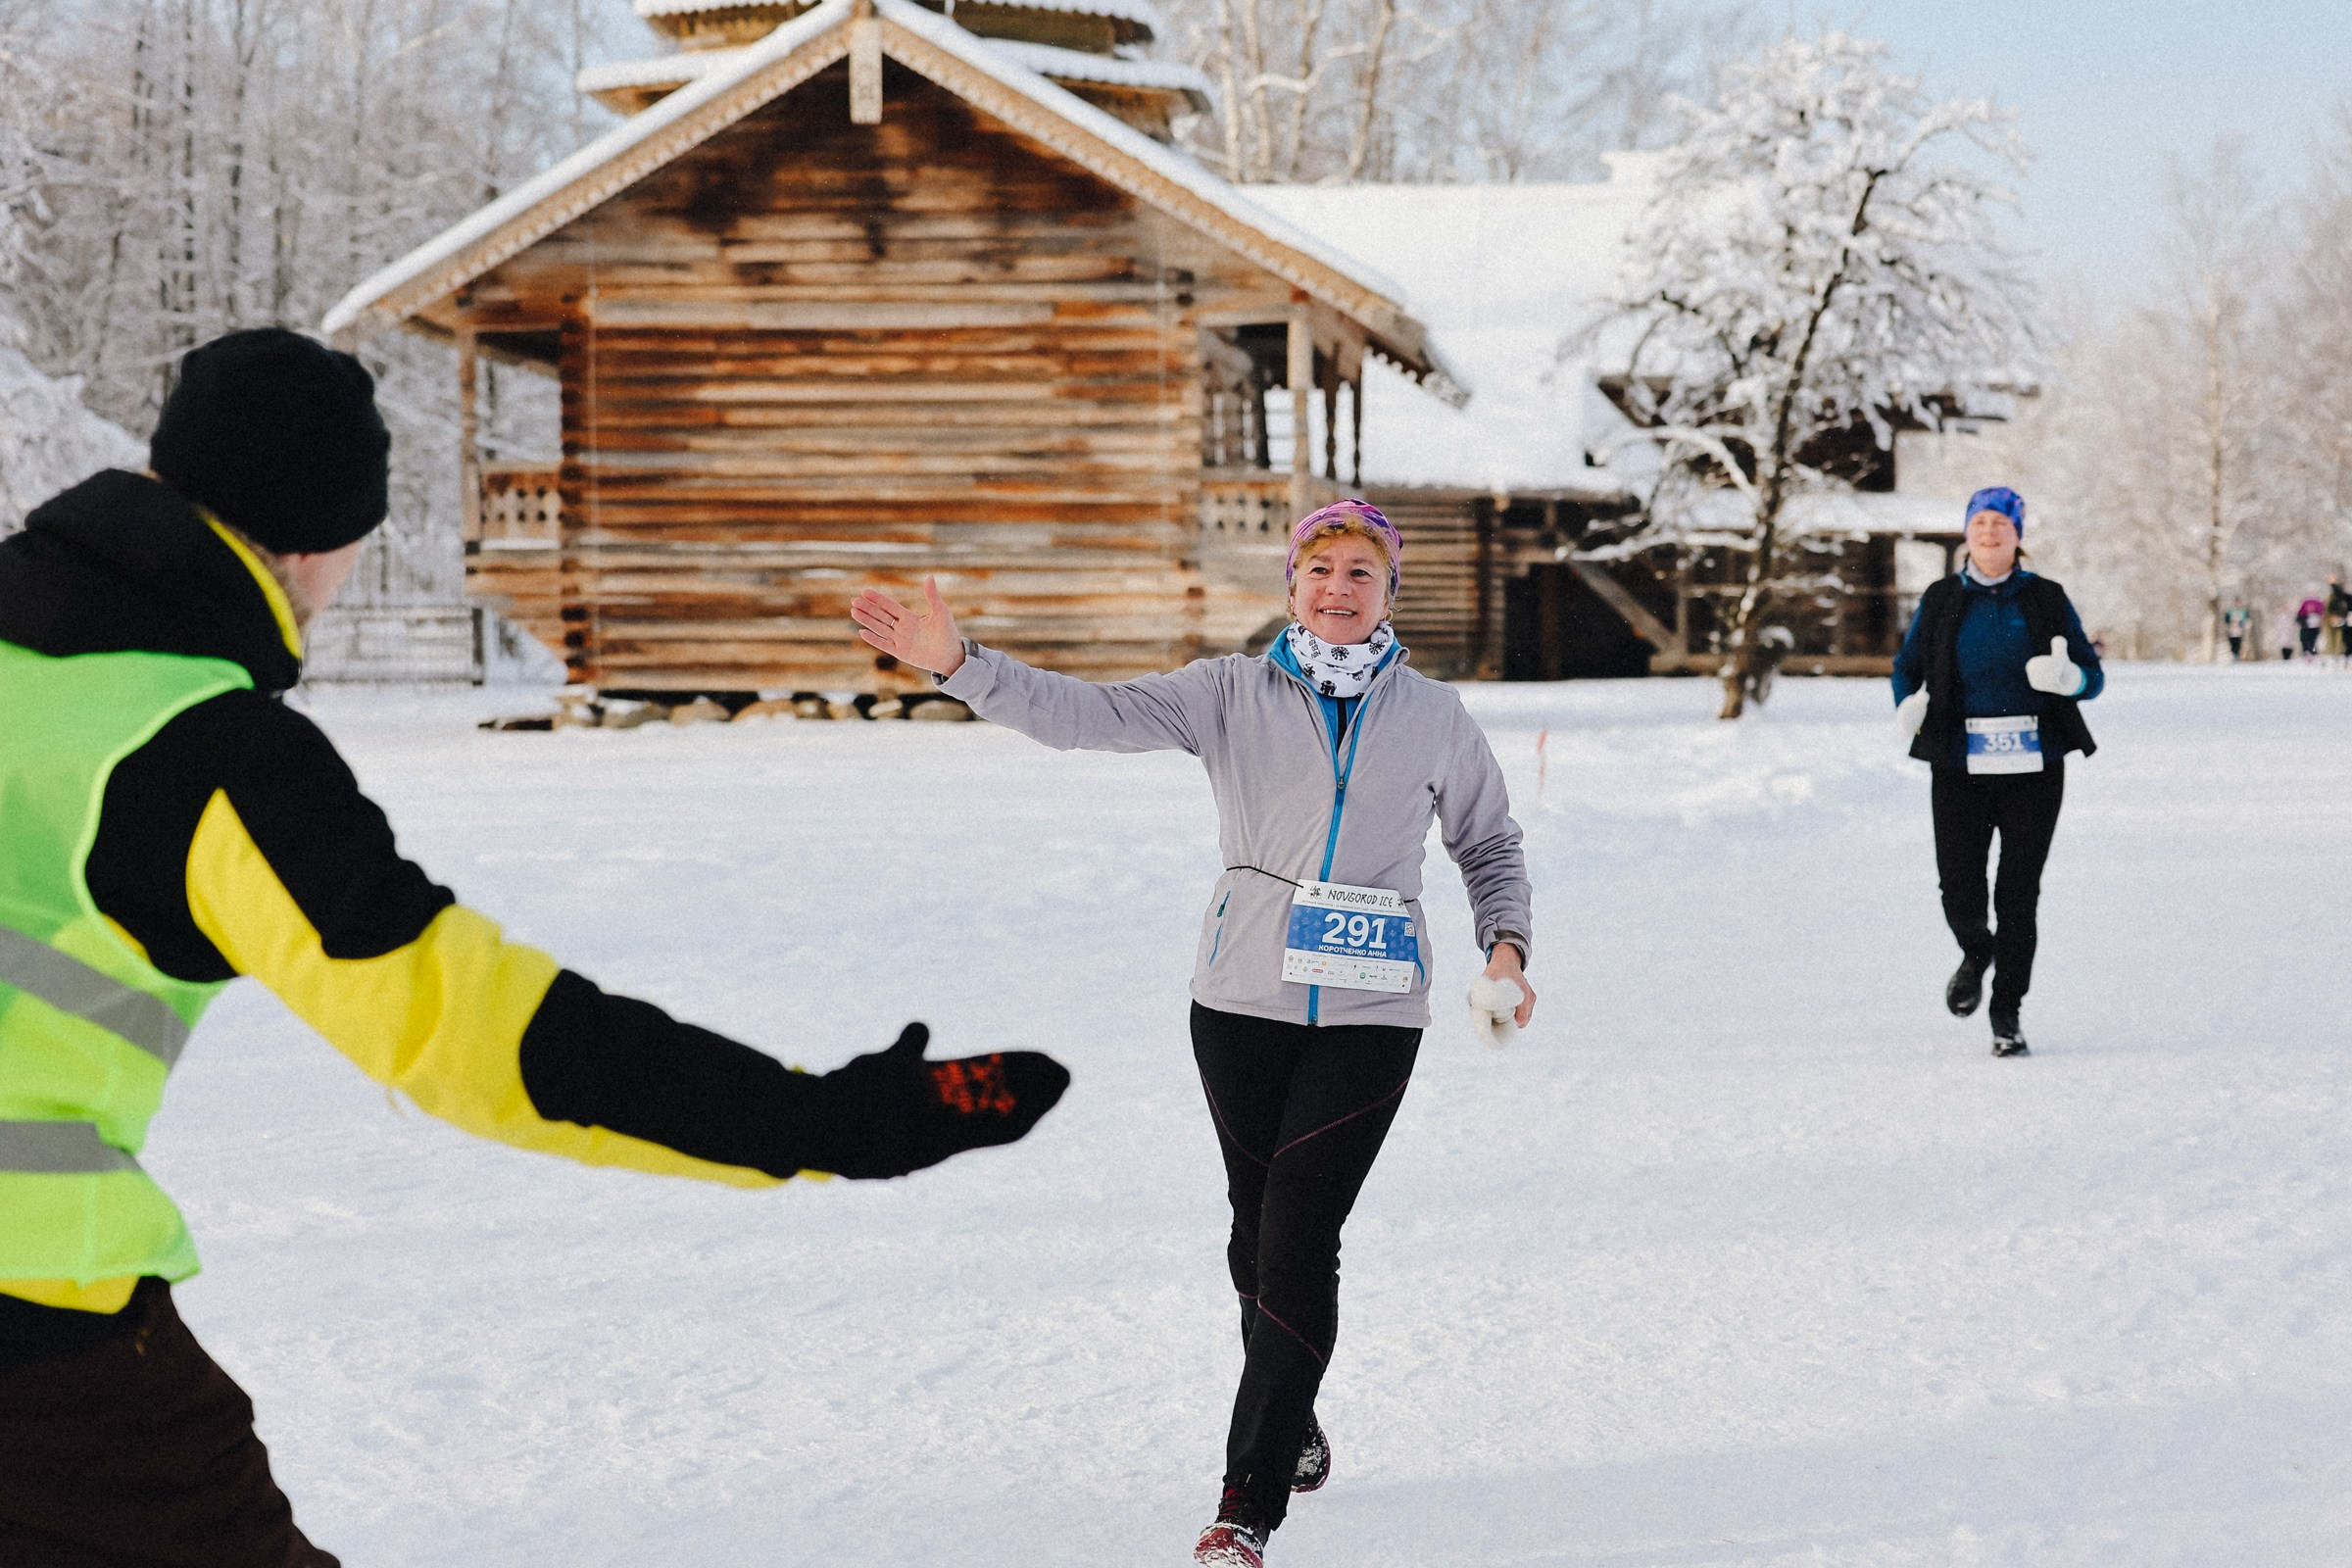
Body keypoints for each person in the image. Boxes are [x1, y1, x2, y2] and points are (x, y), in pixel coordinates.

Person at [0, 328, 1069, 1567]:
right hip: (36, 1328)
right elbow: (486, 1041)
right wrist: (824, 1121)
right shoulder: (203, 755)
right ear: (317, 541)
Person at [850, 500, 1534, 1568]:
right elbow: (1085, 714)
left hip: (1371, 1012)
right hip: (1238, 1003)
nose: (1338, 589)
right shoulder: (1228, 693)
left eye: (1362, 572)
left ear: (1390, 592)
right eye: (1320, 570)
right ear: (1290, 586)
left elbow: (1489, 842)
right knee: (1253, 1232)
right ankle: (1290, 1406)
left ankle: (1246, 1503)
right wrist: (964, 664)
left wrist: (1506, 949)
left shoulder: (1435, 715)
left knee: (1301, 1234)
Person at [1892, 486, 2102, 1057]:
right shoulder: (1940, 599)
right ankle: (1975, 950)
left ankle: (2006, 1013)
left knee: (2017, 894)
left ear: (2018, 536)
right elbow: (1906, 666)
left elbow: (2091, 672)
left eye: (2001, 525)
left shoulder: (2047, 597)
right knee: (1958, 883)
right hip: (1959, 762)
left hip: (2034, 764)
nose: (1989, 533)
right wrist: (1907, 706)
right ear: (1967, 532)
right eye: (1980, 523)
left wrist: (2071, 681)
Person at [2296, 592, 2326, 659]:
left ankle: (2314, 654)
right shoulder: (2303, 612)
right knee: (2306, 641)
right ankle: (2307, 654)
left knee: (2314, 642)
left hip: (2315, 628)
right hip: (2306, 628)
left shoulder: (2319, 607)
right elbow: (2299, 617)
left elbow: (2323, 614)